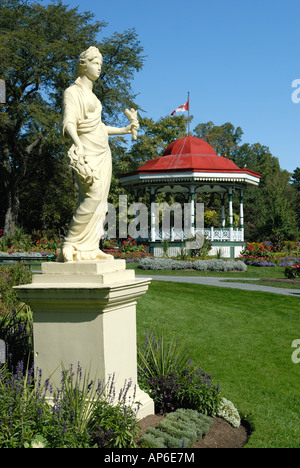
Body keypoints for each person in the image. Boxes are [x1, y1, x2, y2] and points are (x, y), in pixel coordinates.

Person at [58, 46, 138, 262]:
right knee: (91, 198)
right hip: (87, 152)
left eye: (101, 64)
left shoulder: (93, 95)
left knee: (101, 203)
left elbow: (100, 127)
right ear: (84, 65)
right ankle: (70, 243)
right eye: (96, 63)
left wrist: (124, 129)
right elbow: (69, 122)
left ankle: (90, 248)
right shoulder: (72, 92)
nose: (99, 68)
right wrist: (78, 145)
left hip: (103, 152)